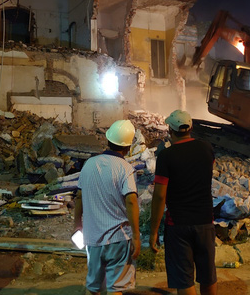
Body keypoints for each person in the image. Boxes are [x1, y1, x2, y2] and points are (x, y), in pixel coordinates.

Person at [149, 110, 217, 295]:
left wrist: (154, 231)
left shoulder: (166, 156)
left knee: (184, 279)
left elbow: (160, 196)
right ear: (191, 128)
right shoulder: (207, 148)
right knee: (207, 275)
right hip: (205, 221)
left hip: (178, 224)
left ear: (170, 130)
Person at [74, 119, 140, 295]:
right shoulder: (125, 168)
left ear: (108, 140)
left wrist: (77, 224)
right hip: (118, 238)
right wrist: (137, 237)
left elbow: (79, 196)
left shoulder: (89, 164)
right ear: (127, 147)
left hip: (92, 238)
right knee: (116, 287)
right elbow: (131, 201)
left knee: (93, 286)